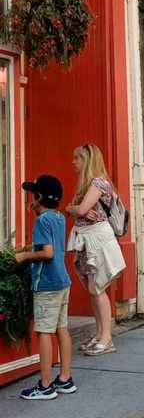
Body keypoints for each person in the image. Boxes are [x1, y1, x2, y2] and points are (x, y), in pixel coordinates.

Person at [15, 175, 75, 400]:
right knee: (62, 329)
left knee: (44, 332)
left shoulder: (41, 221)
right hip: (63, 281)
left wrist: (23, 256)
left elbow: (47, 253)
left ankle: (45, 385)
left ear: (39, 197)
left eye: (33, 194)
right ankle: (65, 378)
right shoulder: (59, 218)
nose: (31, 198)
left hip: (47, 284)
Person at [65, 144, 127, 356]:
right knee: (93, 289)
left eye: (77, 158)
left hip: (97, 239)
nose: (73, 162)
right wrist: (73, 209)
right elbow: (76, 210)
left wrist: (72, 209)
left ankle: (107, 338)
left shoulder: (98, 182)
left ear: (88, 161)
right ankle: (100, 334)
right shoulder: (87, 185)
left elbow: (80, 209)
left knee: (97, 288)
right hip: (88, 239)